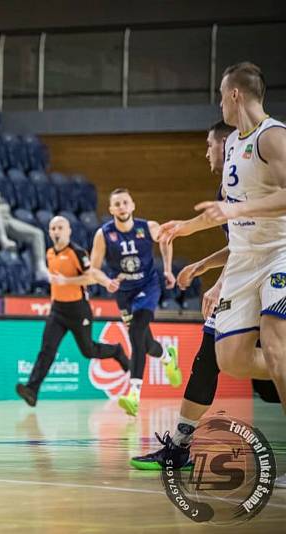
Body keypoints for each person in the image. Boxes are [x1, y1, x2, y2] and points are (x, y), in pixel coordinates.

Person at [158, 63, 286, 487]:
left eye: (219, 94)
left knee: (275, 341)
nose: (217, 102)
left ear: (234, 95)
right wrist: (183, 226)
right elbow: (225, 215)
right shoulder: (232, 142)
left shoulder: (273, 135)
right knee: (230, 358)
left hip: (278, 254)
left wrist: (237, 210)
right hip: (244, 259)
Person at [131, 121, 238, 470]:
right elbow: (238, 244)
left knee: (263, 371)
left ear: (225, 143)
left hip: (265, 275)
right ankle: (179, 445)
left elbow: (256, 244)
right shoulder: (227, 183)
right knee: (207, 360)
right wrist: (202, 265)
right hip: (242, 276)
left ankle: (179, 445)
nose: (206, 152)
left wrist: (220, 280)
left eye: (210, 145)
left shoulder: (247, 179)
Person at [14, 216, 130, 407]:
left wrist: (66, 282)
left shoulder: (77, 252)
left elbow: (91, 279)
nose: (56, 231)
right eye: (53, 228)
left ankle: (116, 350)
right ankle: (32, 391)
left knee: (88, 350)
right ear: (49, 232)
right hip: (57, 310)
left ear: (68, 231)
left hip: (78, 310)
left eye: (60, 227)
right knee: (47, 351)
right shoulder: (50, 253)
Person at [88, 188, 182, 416]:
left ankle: (134, 394)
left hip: (147, 287)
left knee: (137, 331)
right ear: (111, 209)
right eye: (117, 204)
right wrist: (105, 281)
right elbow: (93, 269)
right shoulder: (104, 234)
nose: (121, 207)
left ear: (132, 205)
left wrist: (168, 270)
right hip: (124, 294)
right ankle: (168, 357)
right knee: (146, 343)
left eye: (125, 202)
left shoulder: (147, 227)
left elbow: (166, 239)